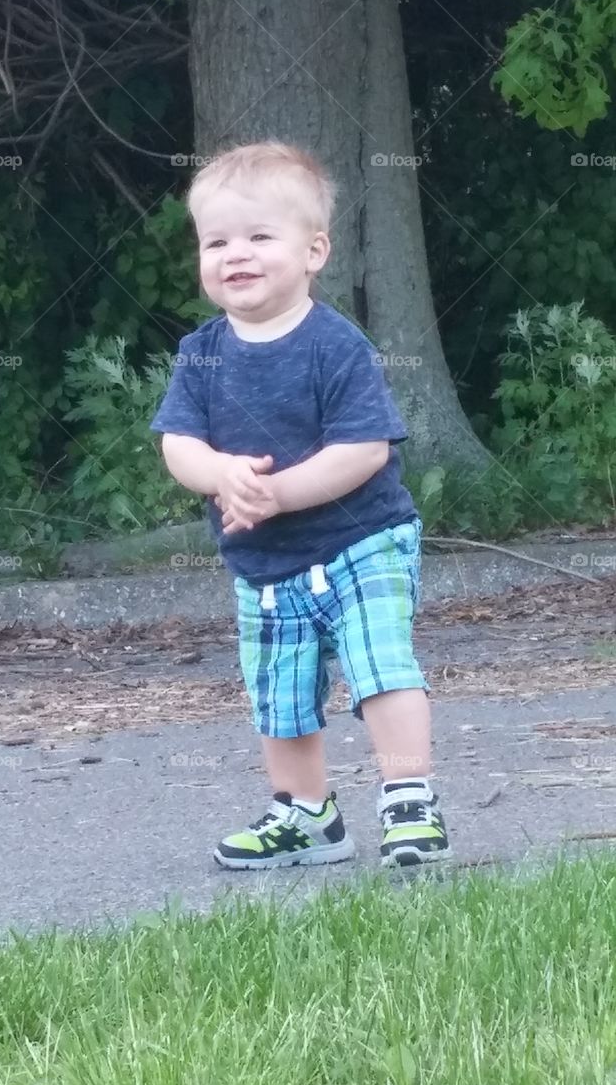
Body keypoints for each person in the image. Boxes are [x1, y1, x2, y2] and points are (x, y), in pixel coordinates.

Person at [150, 140, 451, 870]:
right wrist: (221, 474)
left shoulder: (334, 346)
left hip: (361, 541)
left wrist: (274, 492)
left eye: (259, 236)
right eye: (216, 240)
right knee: (277, 695)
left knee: (381, 664)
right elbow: (176, 443)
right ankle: (306, 815)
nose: (235, 254)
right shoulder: (201, 352)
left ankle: (408, 797)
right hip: (263, 562)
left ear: (314, 250)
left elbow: (364, 451)